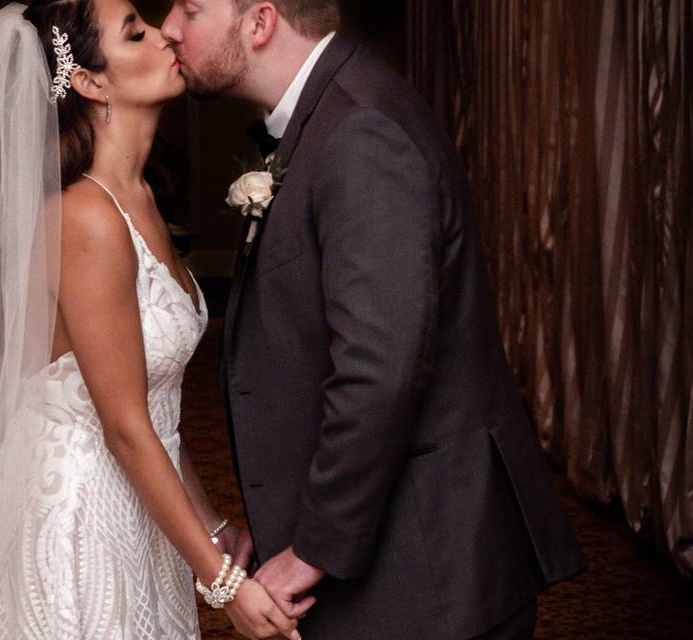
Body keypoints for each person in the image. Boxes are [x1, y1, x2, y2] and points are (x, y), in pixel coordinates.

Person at [161, 1, 586, 638]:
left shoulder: (360, 132)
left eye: (190, 8)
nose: (169, 25)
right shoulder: (328, 116)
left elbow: (379, 370)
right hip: (406, 558)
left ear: (260, 23)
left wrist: (313, 549)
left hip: (426, 568)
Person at [0, 1, 299, 638]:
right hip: (77, 517)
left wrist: (209, 521)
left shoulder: (140, 197)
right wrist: (221, 580)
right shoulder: (86, 215)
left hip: (139, 507)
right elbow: (124, 424)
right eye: (136, 32)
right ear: (89, 80)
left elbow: (148, 404)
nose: (167, 35)